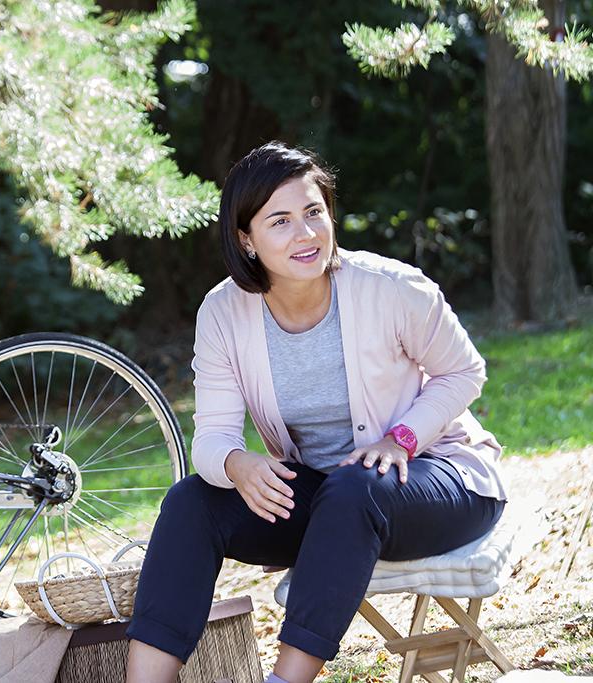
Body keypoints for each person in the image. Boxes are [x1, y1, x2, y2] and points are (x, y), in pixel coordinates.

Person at [124, 142, 508, 683]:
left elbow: (464, 372)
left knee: (357, 486)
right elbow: (211, 438)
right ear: (245, 239)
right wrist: (239, 465)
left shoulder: (392, 288)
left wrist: (400, 438)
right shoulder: (223, 313)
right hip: (330, 500)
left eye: (313, 213)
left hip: (440, 479)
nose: (304, 234)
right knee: (193, 501)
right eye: (279, 221)